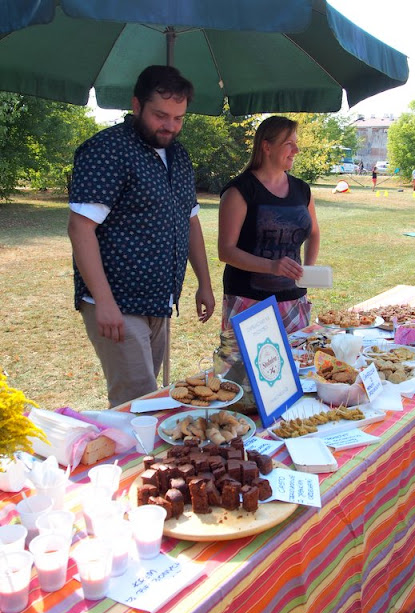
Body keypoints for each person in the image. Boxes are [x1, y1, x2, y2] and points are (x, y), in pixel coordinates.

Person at [67, 66, 215, 407]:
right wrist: (103, 301)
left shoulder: (179, 155)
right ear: (137, 106)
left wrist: (204, 282)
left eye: (179, 118)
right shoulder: (107, 150)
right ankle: (139, 461)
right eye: (161, 115)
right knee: (138, 403)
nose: (170, 126)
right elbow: (80, 227)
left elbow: (190, 220)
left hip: (159, 299)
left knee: (152, 398)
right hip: (117, 301)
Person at [218, 115, 320, 338]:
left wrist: (308, 271)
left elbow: (313, 232)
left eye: (296, 143)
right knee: (244, 370)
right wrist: (272, 266)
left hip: (294, 300)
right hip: (249, 302)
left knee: (297, 365)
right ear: (266, 146)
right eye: (289, 144)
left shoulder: (302, 190)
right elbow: (226, 251)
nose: (297, 150)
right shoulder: (240, 190)